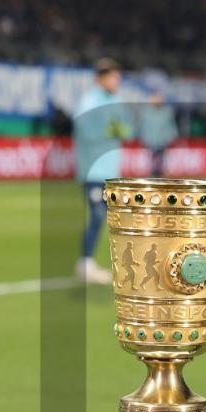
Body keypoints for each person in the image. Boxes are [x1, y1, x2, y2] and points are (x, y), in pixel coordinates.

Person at [73, 58, 133, 284]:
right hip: (92, 170)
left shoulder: (117, 100)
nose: (116, 81)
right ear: (100, 78)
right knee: (98, 215)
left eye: (118, 76)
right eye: (112, 76)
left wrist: (120, 129)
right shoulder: (89, 101)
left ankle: (122, 264)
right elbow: (84, 129)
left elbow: (129, 129)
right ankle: (85, 263)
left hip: (111, 172)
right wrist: (111, 129)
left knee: (114, 218)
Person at [139, 92, 178, 176]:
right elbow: (143, 127)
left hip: (162, 142)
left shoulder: (167, 111)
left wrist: (170, 137)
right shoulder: (146, 112)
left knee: (161, 162)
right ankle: (153, 176)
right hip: (150, 142)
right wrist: (144, 139)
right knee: (151, 162)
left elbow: (171, 126)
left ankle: (159, 175)